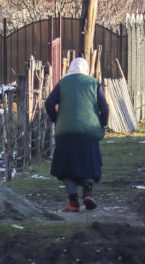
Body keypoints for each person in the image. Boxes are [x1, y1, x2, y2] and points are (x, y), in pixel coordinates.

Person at [45, 57, 109, 212]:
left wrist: (56, 119)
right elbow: (104, 107)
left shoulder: (63, 83)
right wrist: (102, 124)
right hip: (89, 131)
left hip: (66, 132)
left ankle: (73, 202)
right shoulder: (93, 83)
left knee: (66, 166)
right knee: (89, 163)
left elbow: (49, 103)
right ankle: (87, 193)